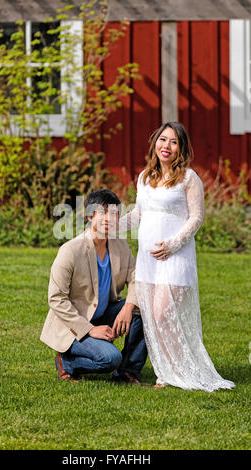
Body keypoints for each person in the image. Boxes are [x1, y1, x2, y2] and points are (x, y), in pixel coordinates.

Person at [118, 121, 235, 392]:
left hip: (175, 257)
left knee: (162, 314)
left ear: (181, 148)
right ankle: (166, 372)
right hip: (149, 261)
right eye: (162, 140)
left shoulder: (188, 178)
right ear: (155, 143)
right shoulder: (145, 177)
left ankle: (181, 371)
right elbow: (140, 214)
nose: (166, 146)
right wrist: (114, 225)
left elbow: (197, 217)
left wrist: (173, 244)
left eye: (173, 142)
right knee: (152, 317)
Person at [40, 189, 148, 385]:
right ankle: (67, 362)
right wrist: (89, 330)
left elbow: (136, 278)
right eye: (103, 213)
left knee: (145, 309)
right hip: (74, 325)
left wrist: (128, 307)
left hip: (105, 312)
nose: (109, 219)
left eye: (114, 214)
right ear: (90, 216)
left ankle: (127, 372)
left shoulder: (120, 245)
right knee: (110, 359)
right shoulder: (71, 251)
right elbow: (56, 298)